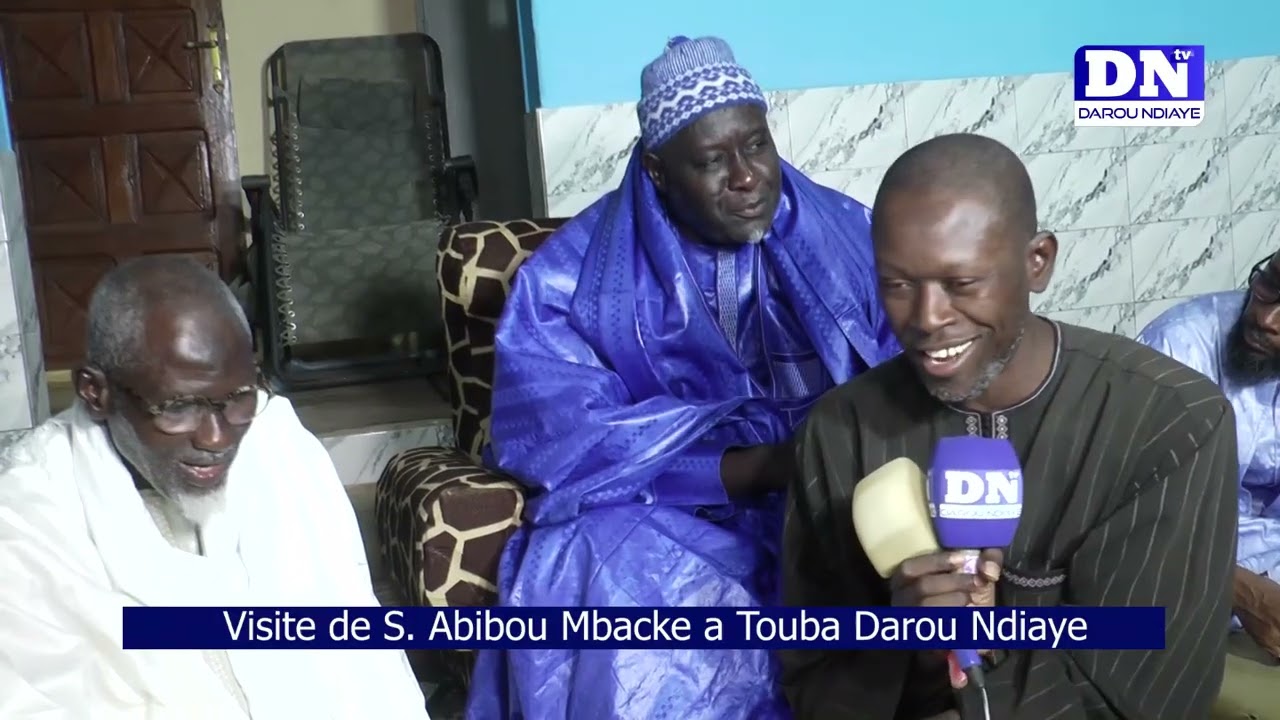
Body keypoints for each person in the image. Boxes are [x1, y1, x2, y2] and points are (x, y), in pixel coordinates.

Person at [466, 35, 900, 720]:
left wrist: (830, 461)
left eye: (756, 145)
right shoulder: (570, 280)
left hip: (828, 495)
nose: (747, 175)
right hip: (663, 509)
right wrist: (759, 467)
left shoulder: (844, 232)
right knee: (605, 570)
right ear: (659, 171)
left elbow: (908, 371)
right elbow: (560, 439)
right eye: (711, 160)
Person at [782, 133, 1237, 720]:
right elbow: (813, 677)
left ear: (1037, 262)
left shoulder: (1168, 424)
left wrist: (986, 658)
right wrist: (899, 642)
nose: (927, 319)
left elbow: (1148, 696)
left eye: (962, 283)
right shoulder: (840, 431)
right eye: (898, 284)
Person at [0, 257, 430, 719]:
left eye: (238, 399)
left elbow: (355, 644)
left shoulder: (276, 441)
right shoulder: (28, 518)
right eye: (178, 407)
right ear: (96, 392)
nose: (216, 438)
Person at [1136, 275, 1280, 719]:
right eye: (1269, 286)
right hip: (1170, 582)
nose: (1265, 317)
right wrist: (1245, 593)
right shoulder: (1179, 347)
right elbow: (1129, 520)